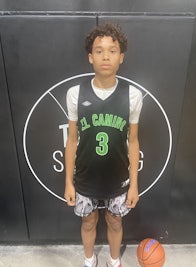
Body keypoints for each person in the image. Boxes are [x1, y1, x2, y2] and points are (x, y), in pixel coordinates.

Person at [64, 23, 143, 267]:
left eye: (112, 50)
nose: (105, 56)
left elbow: (133, 141)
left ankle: (114, 259)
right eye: (99, 51)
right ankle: (89, 259)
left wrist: (134, 185)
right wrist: (68, 181)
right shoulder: (75, 93)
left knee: (115, 221)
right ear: (90, 57)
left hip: (118, 177)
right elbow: (73, 139)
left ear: (121, 57)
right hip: (85, 177)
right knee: (87, 221)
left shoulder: (133, 95)